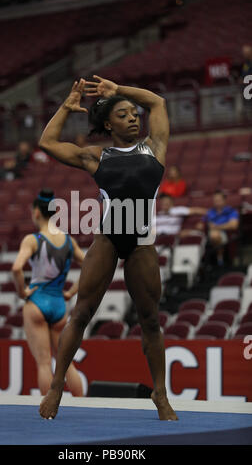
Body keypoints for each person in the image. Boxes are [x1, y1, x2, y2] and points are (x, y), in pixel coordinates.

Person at [37, 76, 178, 421]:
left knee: (150, 321)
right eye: (124, 114)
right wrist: (66, 108)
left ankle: (160, 395)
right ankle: (56, 387)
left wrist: (119, 91)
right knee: (82, 312)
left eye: (134, 113)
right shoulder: (95, 157)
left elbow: (157, 101)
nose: (134, 117)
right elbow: (48, 142)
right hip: (109, 238)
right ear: (107, 124)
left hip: (142, 241)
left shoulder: (154, 146)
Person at [12, 188, 84, 397]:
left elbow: (17, 268)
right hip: (59, 305)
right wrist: (71, 292)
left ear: (36, 212)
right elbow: (90, 266)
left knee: (44, 363)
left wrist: (21, 292)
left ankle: (47, 410)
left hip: (37, 302)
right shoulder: (69, 241)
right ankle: (83, 404)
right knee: (67, 364)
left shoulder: (32, 239)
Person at [196, 190, 239, 265]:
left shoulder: (231, 211)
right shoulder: (210, 211)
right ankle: (199, 262)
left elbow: (233, 225)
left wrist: (216, 227)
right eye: (215, 200)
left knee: (214, 235)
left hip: (224, 233)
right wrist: (201, 225)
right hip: (207, 233)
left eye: (219, 200)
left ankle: (220, 259)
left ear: (224, 200)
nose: (217, 202)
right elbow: (201, 224)